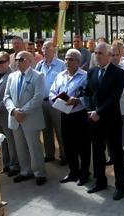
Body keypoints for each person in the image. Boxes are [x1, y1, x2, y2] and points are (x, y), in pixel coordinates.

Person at [84, 43, 124, 200]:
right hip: (94, 120)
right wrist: (90, 110)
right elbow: (87, 92)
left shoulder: (118, 73)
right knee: (97, 151)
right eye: (95, 52)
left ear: (109, 55)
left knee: (116, 153)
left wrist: (99, 112)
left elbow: (114, 97)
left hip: (111, 119)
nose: (97, 55)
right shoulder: (92, 71)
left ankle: (121, 186)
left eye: (100, 53)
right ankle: (100, 181)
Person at [4, 51, 47, 186]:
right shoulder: (12, 76)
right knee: (20, 147)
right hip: (16, 117)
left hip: (30, 118)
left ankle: (39, 173)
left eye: (20, 59)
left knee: (34, 147)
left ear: (29, 61)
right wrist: (13, 110)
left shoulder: (38, 76)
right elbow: (6, 97)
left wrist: (23, 111)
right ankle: (25, 171)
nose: (17, 62)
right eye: (16, 59)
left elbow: (38, 97)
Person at [50, 49, 91, 186]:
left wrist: (78, 100)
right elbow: (52, 92)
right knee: (68, 145)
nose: (67, 62)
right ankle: (73, 171)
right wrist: (56, 100)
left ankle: (84, 173)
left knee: (83, 146)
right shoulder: (60, 75)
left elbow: (89, 97)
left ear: (78, 62)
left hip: (80, 115)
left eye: (71, 59)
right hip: (64, 114)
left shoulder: (85, 76)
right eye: (66, 59)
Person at [35, 41, 66, 165]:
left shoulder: (61, 65)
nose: (45, 50)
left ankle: (64, 154)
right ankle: (49, 154)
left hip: (56, 103)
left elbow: (65, 83)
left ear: (54, 50)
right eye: (43, 48)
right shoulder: (39, 65)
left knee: (60, 130)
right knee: (46, 130)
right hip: (42, 103)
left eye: (48, 48)